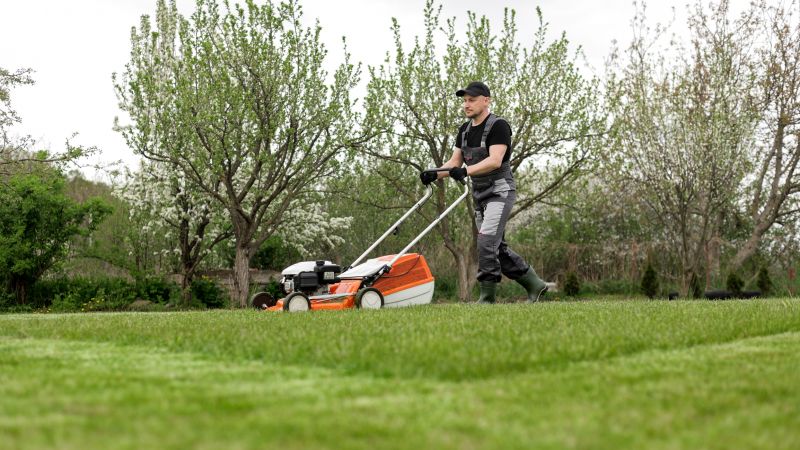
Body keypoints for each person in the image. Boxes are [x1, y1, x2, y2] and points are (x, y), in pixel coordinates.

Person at [419, 81, 548, 303]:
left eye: (472, 100)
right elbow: (454, 162)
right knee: (496, 248)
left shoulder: (499, 126)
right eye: (464, 101)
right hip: (480, 195)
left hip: (500, 191)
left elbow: (495, 160)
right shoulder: (464, 131)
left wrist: (465, 171)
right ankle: (536, 285)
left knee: (486, 242)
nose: (466, 105)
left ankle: (487, 298)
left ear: (486, 100)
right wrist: (434, 173)